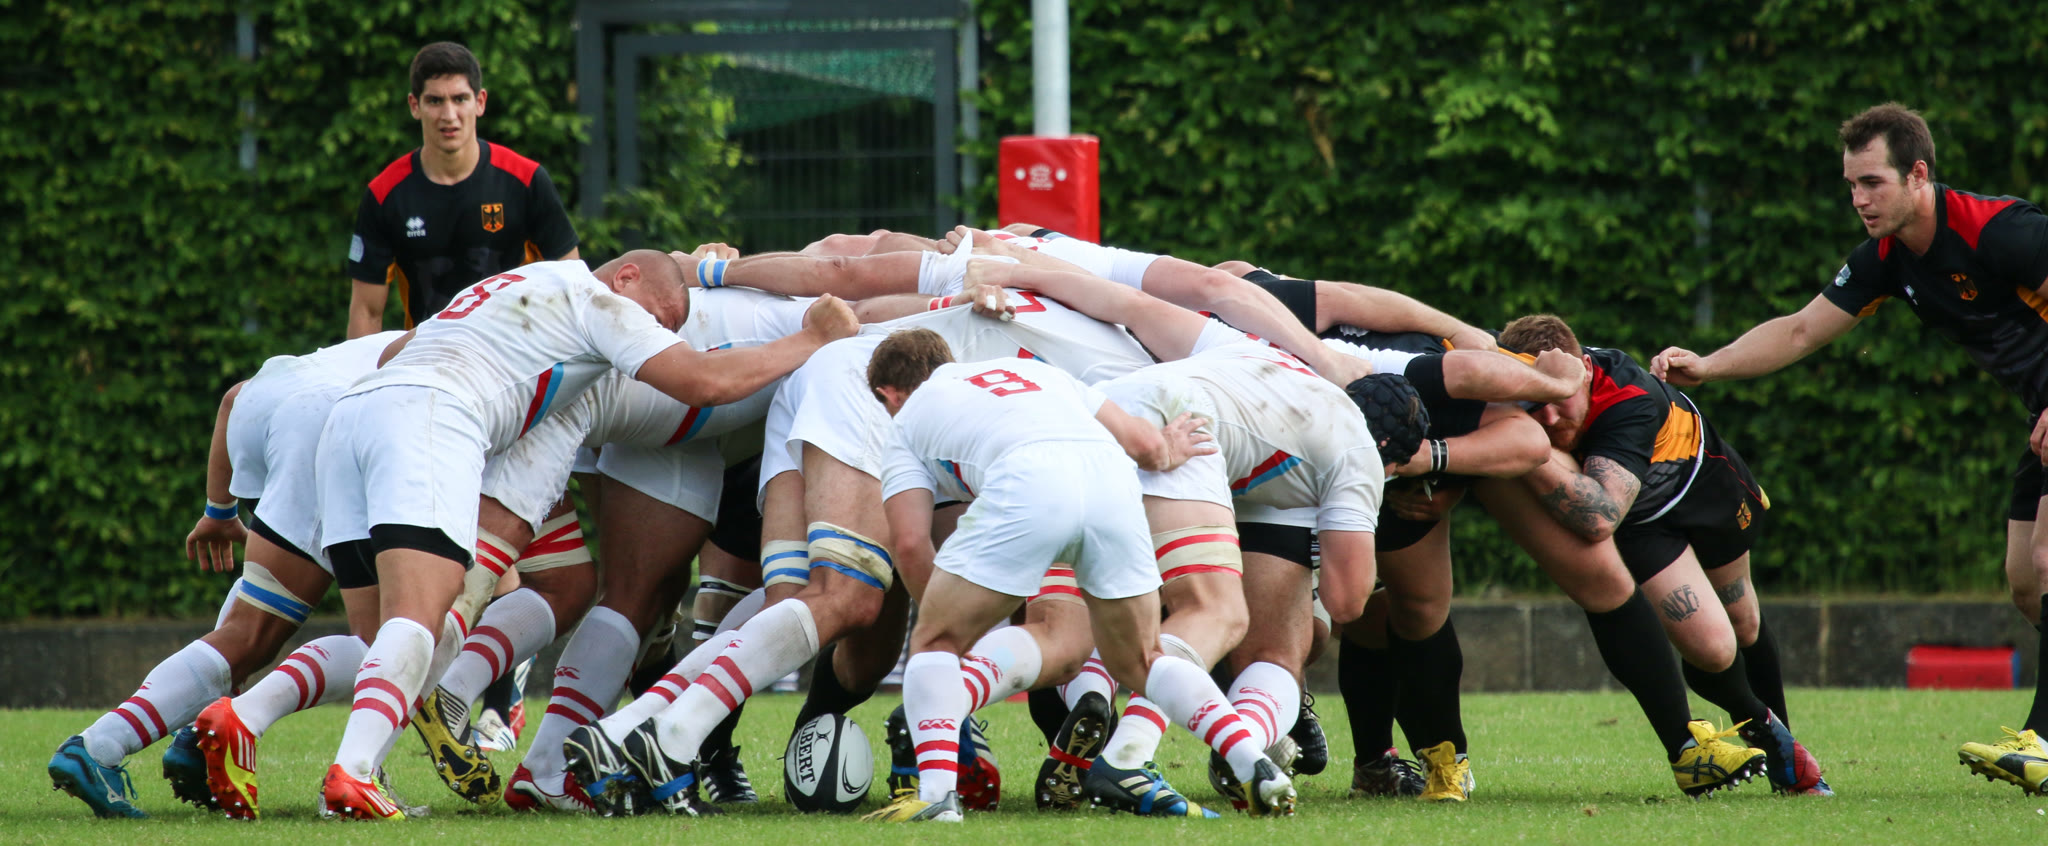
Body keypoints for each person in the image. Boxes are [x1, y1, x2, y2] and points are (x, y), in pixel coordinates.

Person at [313, 252, 853, 820]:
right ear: (626, 278)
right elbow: (704, 381)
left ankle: (355, 772)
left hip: (358, 411)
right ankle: (356, 766)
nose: (659, 335)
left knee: (405, 621)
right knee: (422, 613)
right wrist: (812, 338)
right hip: (432, 416)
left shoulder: (523, 278)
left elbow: (396, 350)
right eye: (657, 320)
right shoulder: (596, 300)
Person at [1650, 102, 2048, 793]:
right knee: (2025, 581)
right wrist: (1707, 366)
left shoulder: (2000, 231)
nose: (1859, 199)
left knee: (2046, 560)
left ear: (1918, 174)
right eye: (1852, 185)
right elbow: (1800, 330)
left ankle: (2043, 740)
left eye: (1873, 183)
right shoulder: (1887, 260)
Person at [862, 328, 1243, 823]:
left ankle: (941, 760)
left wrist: (946, 634)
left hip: (1029, 484)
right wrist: (1166, 450)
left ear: (889, 395)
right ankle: (1251, 761)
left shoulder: (909, 419)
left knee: (948, 643)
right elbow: (1146, 444)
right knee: (1142, 657)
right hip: (1114, 478)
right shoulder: (1030, 369)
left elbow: (912, 544)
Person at [1502, 315, 1828, 796]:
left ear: (1585, 370)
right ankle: (1770, 733)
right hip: (1642, 521)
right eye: (1533, 407)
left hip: (1705, 485)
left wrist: (1522, 442)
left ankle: (1784, 751)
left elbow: (1599, 515)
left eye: (1559, 400)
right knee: (1713, 648)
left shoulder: (1628, 399)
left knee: (1745, 623)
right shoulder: (1516, 379)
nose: (1548, 420)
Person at [345, 42, 579, 338]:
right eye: (435, 101)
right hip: (428, 357)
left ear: (480, 102)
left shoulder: (526, 179)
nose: (449, 114)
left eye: (460, 99)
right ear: (414, 106)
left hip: (516, 354)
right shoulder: (384, 194)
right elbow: (366, 311)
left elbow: (574, 289)